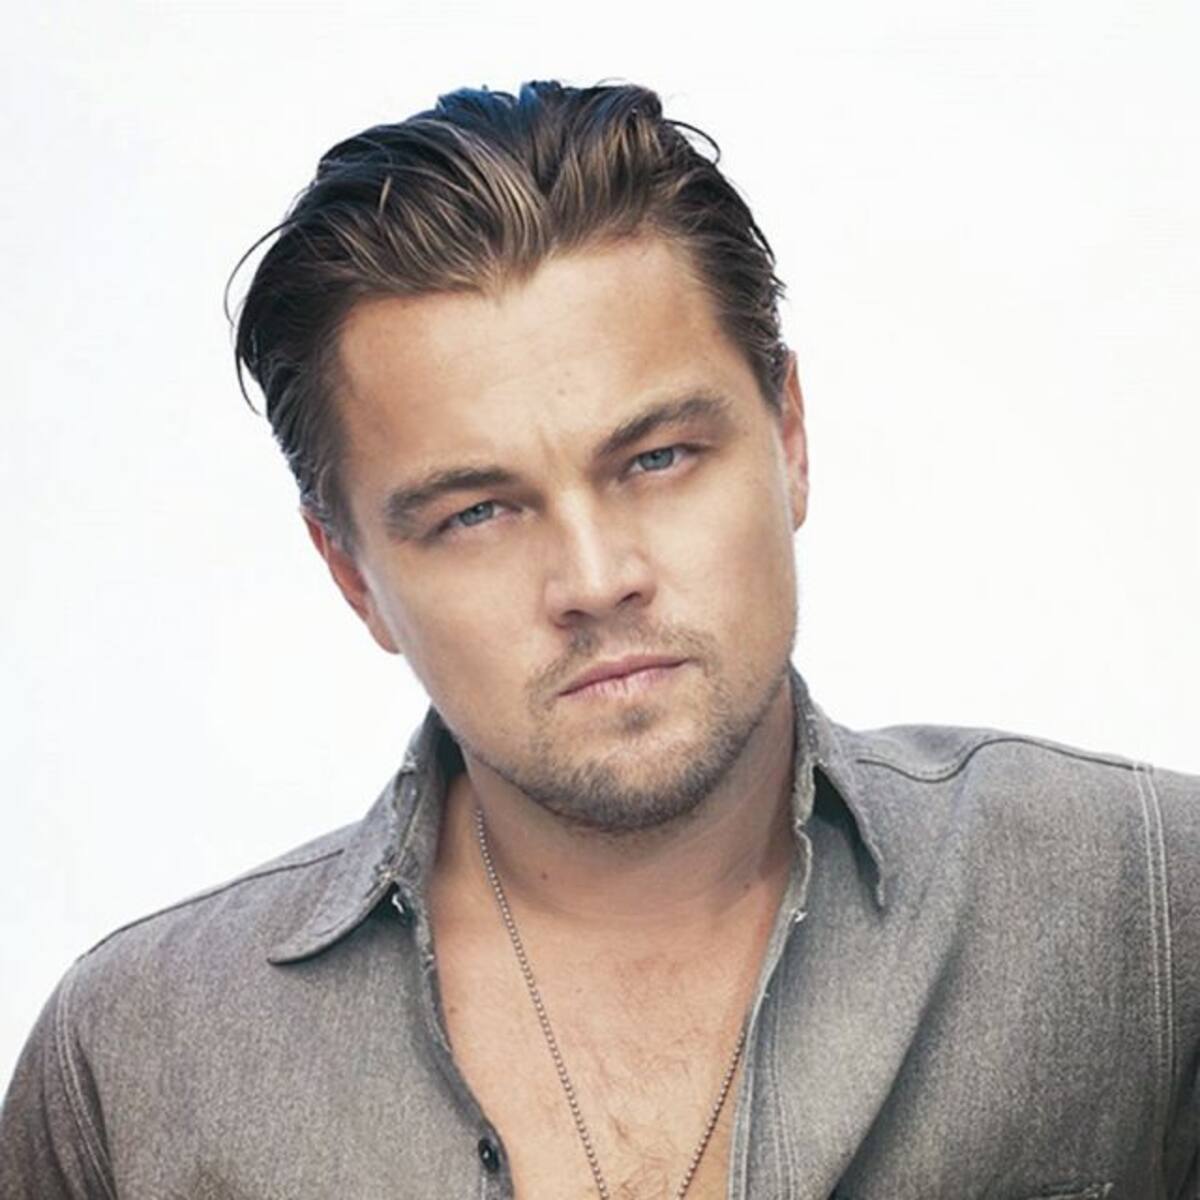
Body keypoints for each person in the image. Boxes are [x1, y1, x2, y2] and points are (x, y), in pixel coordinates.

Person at [1, 79, 1196, 1200]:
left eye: (659, 458)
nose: (595, 579)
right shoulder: (135, 1062)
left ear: (788, 439)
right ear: (351, 572)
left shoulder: (1151, 900)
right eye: (477, 513)